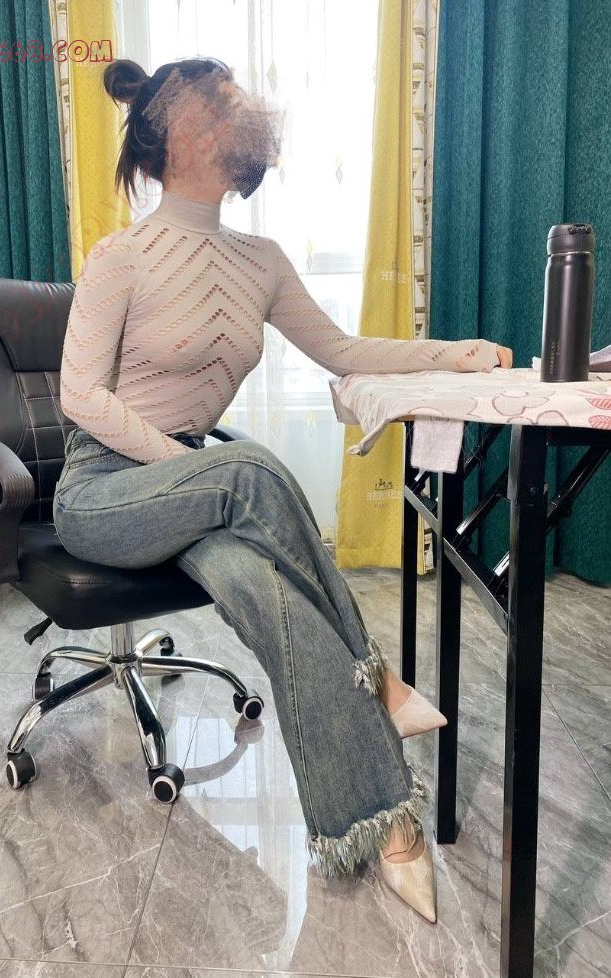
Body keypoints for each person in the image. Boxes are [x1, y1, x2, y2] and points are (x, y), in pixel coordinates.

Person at [52, 56, 513, 924]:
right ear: (172, 134)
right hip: (104, 491)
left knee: (265, 592)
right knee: (251, 465)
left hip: (201, 487)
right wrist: (184, 465)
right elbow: (79, 397)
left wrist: (453, 353)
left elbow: (344, 352)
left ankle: (381, 821)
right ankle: (377, 678)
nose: (241, 106)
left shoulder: (260, 261)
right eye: (219, 99)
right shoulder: (120, 257)